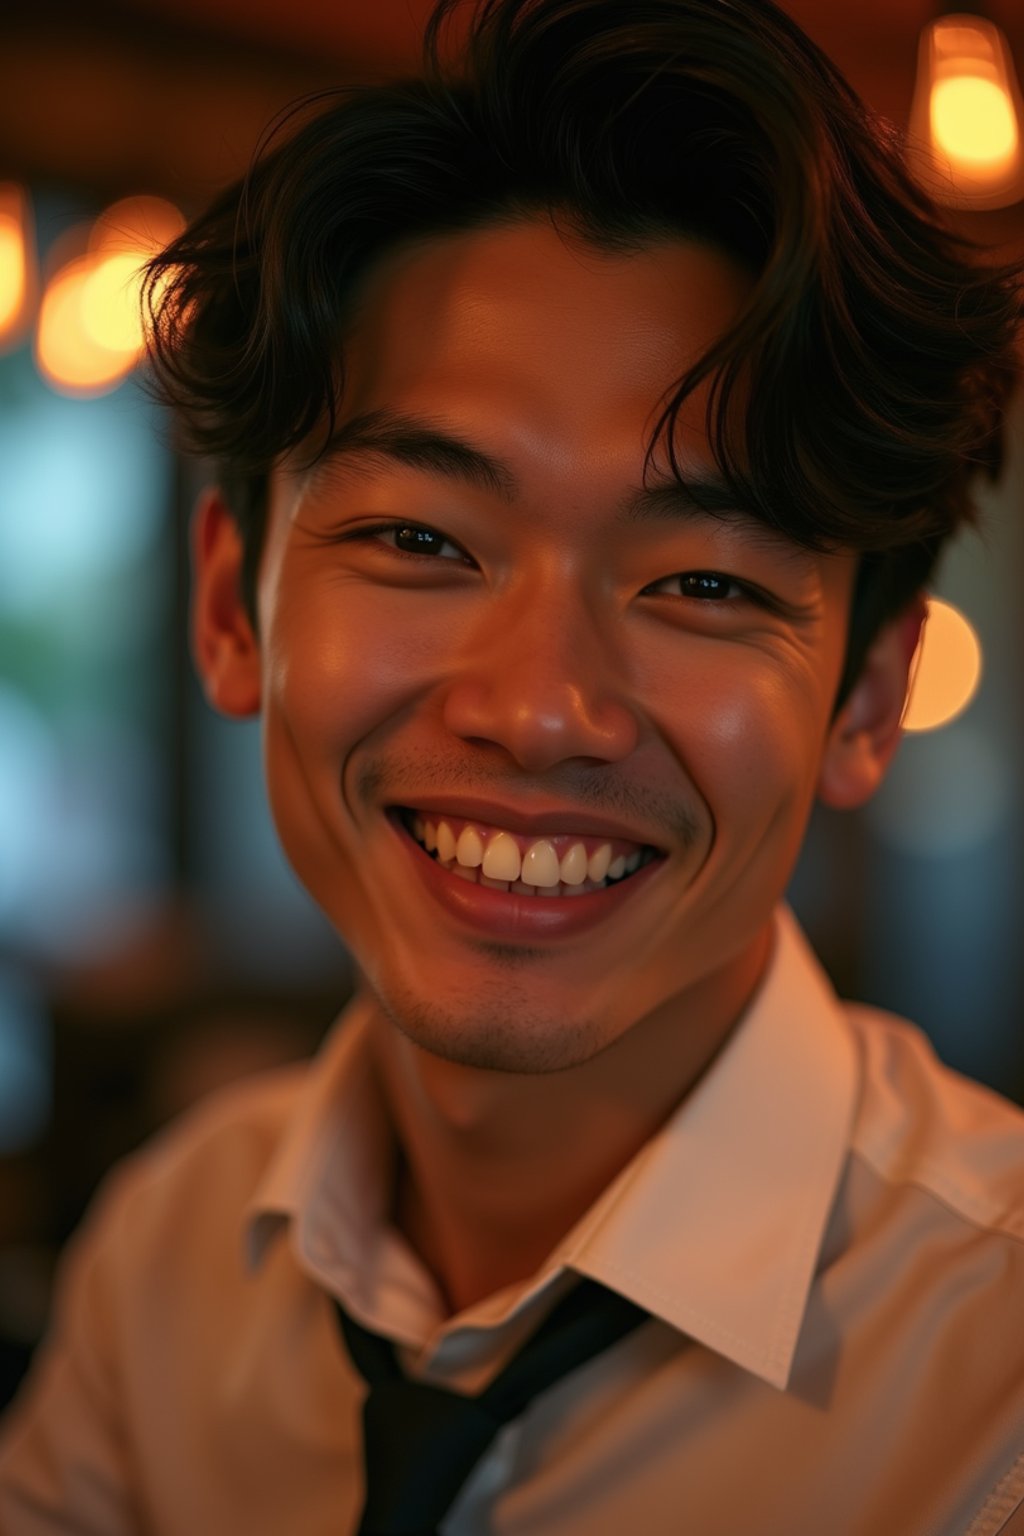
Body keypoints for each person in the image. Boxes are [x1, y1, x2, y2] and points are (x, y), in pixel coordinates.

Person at [2, 0, 1023, 1530]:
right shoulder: (172, 1257)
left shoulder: (988, 1378)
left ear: (867, 702)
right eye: (420, 539)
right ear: (232, 608)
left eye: (708, 585)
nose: (543, 710)